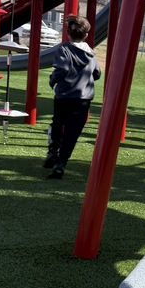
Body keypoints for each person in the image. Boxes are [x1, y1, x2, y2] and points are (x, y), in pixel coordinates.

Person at [44, 14, 101, 179]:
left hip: (64, 95)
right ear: (86, 35)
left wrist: (52, 80)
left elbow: (61, 69)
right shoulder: (91, 53)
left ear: (68, 33)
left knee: (57, 124)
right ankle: (61, 164)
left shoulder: (64, 48)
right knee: (72, 132)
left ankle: (53, 151)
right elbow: (97, 73)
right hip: (83, 98)